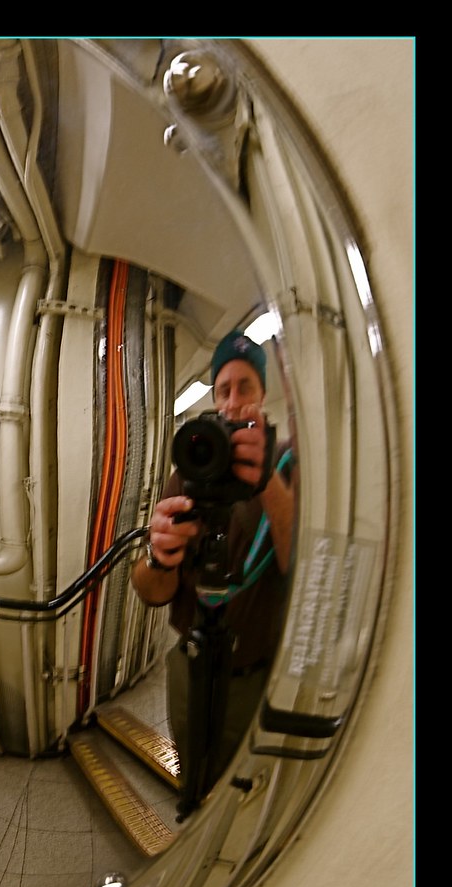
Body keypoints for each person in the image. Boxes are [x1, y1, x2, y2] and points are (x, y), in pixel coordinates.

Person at [130, 330, 296, 809]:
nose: (233, 402)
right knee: (190, 764)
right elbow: (151, 591)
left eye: (246, 387)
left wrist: (264, 482)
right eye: (223, 390)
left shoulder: (285, 465)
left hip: (252, 670)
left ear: (263, 395)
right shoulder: (190, 467)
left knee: (240, 782)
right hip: (190, 659)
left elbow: (299, 567)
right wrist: (158, 556)